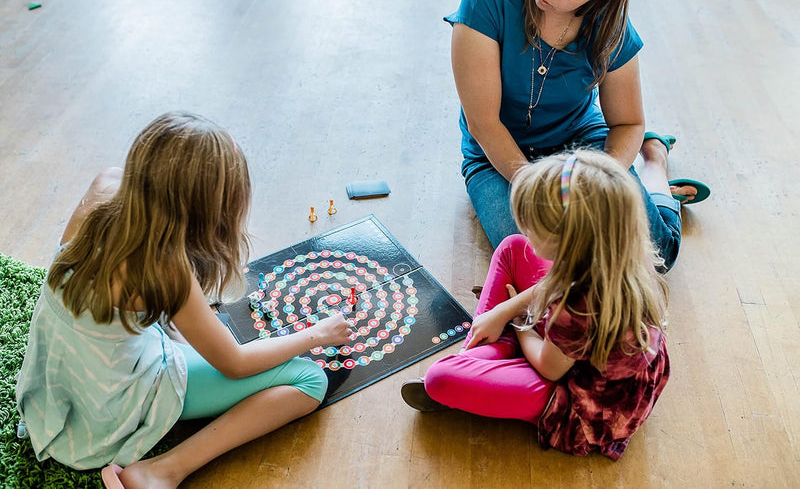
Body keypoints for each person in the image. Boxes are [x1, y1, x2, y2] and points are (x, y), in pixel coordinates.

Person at [15, 112, 354, 488]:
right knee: (309, 379)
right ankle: (163, 470)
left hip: (57, 388)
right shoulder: (165, 268)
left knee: (201, 333)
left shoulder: (106, 184)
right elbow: (236, 364)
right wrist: (317, 333)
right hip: (107, 407)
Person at [401, 150, 670, 460]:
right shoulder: (610, 256)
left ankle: (484, 356)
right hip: (561, 348)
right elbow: (553, 280)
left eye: (533, 227)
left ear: (568, 241)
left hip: (575, 400)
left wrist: (517, 324)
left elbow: (549, 368)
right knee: (512, 248)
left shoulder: (578, 305)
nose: (525, 230)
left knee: (440, 379)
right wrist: (504, 310)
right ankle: (488, 353)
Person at [445, 0, 709, 269]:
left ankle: (653, 162)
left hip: (580, 143)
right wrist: (542, 190)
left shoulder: (610, 24)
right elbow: (484, 124)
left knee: (656, 258)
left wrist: (598, 182)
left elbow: (629, 122)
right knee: (545, 265)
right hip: (495, 157)